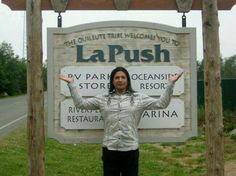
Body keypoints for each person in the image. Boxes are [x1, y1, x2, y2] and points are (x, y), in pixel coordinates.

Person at [59, 66, 183, 176]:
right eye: (117, 77)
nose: (120, 80)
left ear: (127, 80)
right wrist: (72, 84)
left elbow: (161, 104)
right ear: (112, 81)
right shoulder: (103, 98)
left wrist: (170, 84)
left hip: (130, 150)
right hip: (110, 149)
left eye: (123, 77)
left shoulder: (139, 98)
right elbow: (81, 104)